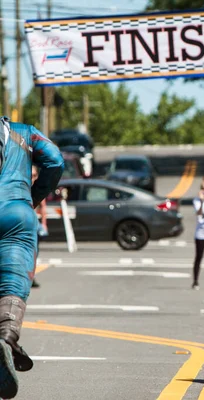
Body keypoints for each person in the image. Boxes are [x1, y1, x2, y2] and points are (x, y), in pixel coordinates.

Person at [0, 117, 64, 398]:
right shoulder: (22, 132)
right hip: (16, 213)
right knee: (13, 281)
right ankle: (6, 336)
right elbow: (55, 160)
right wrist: (33, 197)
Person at [31, 166, 48, 289]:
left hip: (33, 223)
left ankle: (31, 276)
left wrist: (44, 223)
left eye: (34, 175)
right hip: (22, 222)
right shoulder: (20, 185)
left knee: (34, 251)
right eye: (30, 175)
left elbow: (43, 206)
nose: (32, 178)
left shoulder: (37, 188)